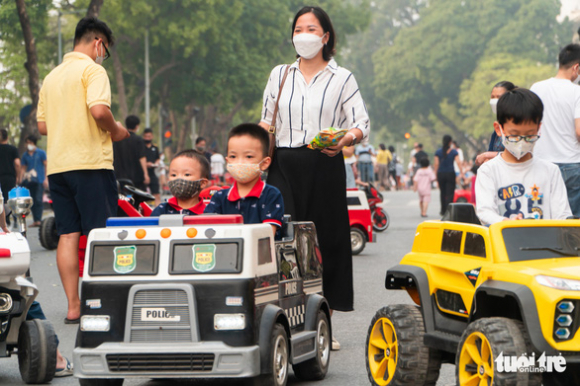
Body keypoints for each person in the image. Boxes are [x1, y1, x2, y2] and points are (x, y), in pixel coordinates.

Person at [258, 6, 370, 350]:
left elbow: (361, 124)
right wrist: (254, 156)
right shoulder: (280, 74)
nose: (303, 34)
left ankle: (323, 324)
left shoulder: (342, 77)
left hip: (324, 162)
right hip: (283, 164)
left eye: (311, 28)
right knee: (284, 242)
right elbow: (266, 122)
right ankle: (285, 323)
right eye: (298, 28)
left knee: (328, 242)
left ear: (325, 37)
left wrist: (345, 139)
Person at [37, 17, 130, 324]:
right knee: (99, 235)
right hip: (90, 164)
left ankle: (74, 306)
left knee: (67, 235)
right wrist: (116, 130)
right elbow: (99, 110)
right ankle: (100, 301)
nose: (102, 55)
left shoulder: (51, 78)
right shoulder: (93, 70)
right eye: (104, 49)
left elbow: (42, 126)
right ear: (97, 43)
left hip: (59, 166)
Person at [475, 88, 571, 225]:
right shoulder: (489, 171)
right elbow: (485, 212)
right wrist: (508, 223)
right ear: (499, 129)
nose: (522, 141)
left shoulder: (551, 171)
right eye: (514, 135)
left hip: (544, 245)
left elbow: (562, 215)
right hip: (503, 244)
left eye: (529, 135)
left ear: (539, 128)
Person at [205, 124, 284, 237]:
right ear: (227, 160)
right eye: (233, 157)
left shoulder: (271, 195)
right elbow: (207, 230)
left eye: (248, 157)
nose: (239, 162)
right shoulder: (220, 197)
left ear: (265, 163)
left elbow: (267, 235)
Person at [530, 44, 580, 217]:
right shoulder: (577, 92)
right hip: (572, 164)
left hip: (540, 162)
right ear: (576, 67)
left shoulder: (536, 88)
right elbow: (579, 131)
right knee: (571, 221)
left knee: (543, 214)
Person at [150, 150, 210, 216]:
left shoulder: (207, 213)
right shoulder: (162, 210)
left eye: (187, 174)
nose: (178, 178)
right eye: (173, 175)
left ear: (203, 183)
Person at [475, 81, 517, 166]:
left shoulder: (518, 124)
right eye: (492, 97)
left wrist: (488, 155)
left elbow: (517, 154)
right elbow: (490, 152)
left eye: (499, 97)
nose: (495, 100)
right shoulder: (497, 129)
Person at [113, 115, 150, 190]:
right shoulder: (138, 140)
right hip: (136, 177)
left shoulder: (118, 139)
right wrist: (146, 174)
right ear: (137, 126)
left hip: (120, 176)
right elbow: (142, 157)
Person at [20, 135, 47, 227]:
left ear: (34, 143)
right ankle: (35, 220)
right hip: (29, 180)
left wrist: (46, 178)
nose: (28, 145)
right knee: (31, 200)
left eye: (30, 143)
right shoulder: (25, 155)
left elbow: (46, 165)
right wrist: (20, 178)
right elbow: (23, 168)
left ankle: (38, 220)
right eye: (27, 143)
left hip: (39, 179)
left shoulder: (41, 153)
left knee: (38, 199)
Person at [434, 135, 462, 215]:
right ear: (450, 142)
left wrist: (436, 174)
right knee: (450, 193)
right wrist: (461, 172)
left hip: (441, 173)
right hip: (450, 173)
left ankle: (443, 210)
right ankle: (449, 210)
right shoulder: (454, 152)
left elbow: (436, 164)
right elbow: (458, 162)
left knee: (442, 192)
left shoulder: (438, 152)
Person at [0, 128, 20, 203]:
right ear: (7, 138)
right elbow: (17, 163)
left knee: (0, 201)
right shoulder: (13, 149)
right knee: (10, 200)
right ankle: (9, 214)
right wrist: (17, 176)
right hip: (10, 178)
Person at [142, 128, 161, 206]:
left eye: (149, 136)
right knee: (142, 195)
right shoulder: (141, 147)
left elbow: (158, 158)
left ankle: (157, 213)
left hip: (152, 173)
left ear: (152, 136)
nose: (147, 138)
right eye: (146, 136)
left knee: (156, 194)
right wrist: (146, 164)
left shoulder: (155, 148)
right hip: (142, 174)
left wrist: (156, 163)